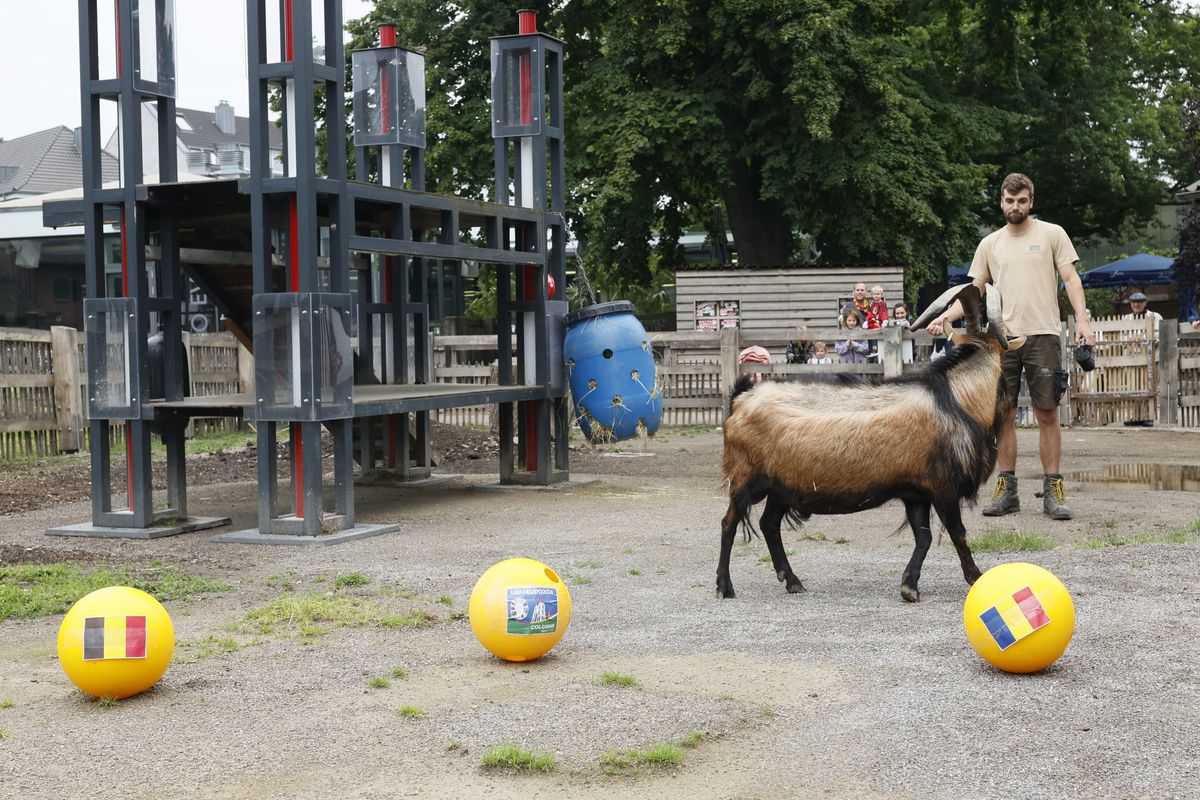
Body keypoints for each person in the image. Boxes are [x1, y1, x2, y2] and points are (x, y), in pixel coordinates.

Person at [927, 172, 1096, 520]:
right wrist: (945, 317)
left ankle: (1053, 489)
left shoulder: (1052, 234)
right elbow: (974, 291)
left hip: (1043, 334)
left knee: (1047, 412)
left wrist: (1082, 319)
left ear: (1031, 201)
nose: (1015, 206)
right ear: (1001, 202)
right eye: (1009, 200)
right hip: (1001, 340)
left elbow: (1070, 278)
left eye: (1021, 200)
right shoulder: (990, 244)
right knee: (1002, 415)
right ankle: (1007, 489)